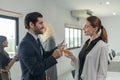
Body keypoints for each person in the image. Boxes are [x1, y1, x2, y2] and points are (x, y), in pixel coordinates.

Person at [18, 12, 63, 80]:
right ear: (31, 24)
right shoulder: (25, 44)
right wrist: (53, 57)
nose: (43, 26)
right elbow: (35, 70)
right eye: (40, 23)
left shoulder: (36, 39)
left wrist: (57, 48)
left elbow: (43, 55)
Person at [65, 16, 109, 80]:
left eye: (86, 26)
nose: (83, 28)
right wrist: (73, 57)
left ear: (95, 29)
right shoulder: (86, 44)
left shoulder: (102, 46)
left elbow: (102, 74)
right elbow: (81, 66)